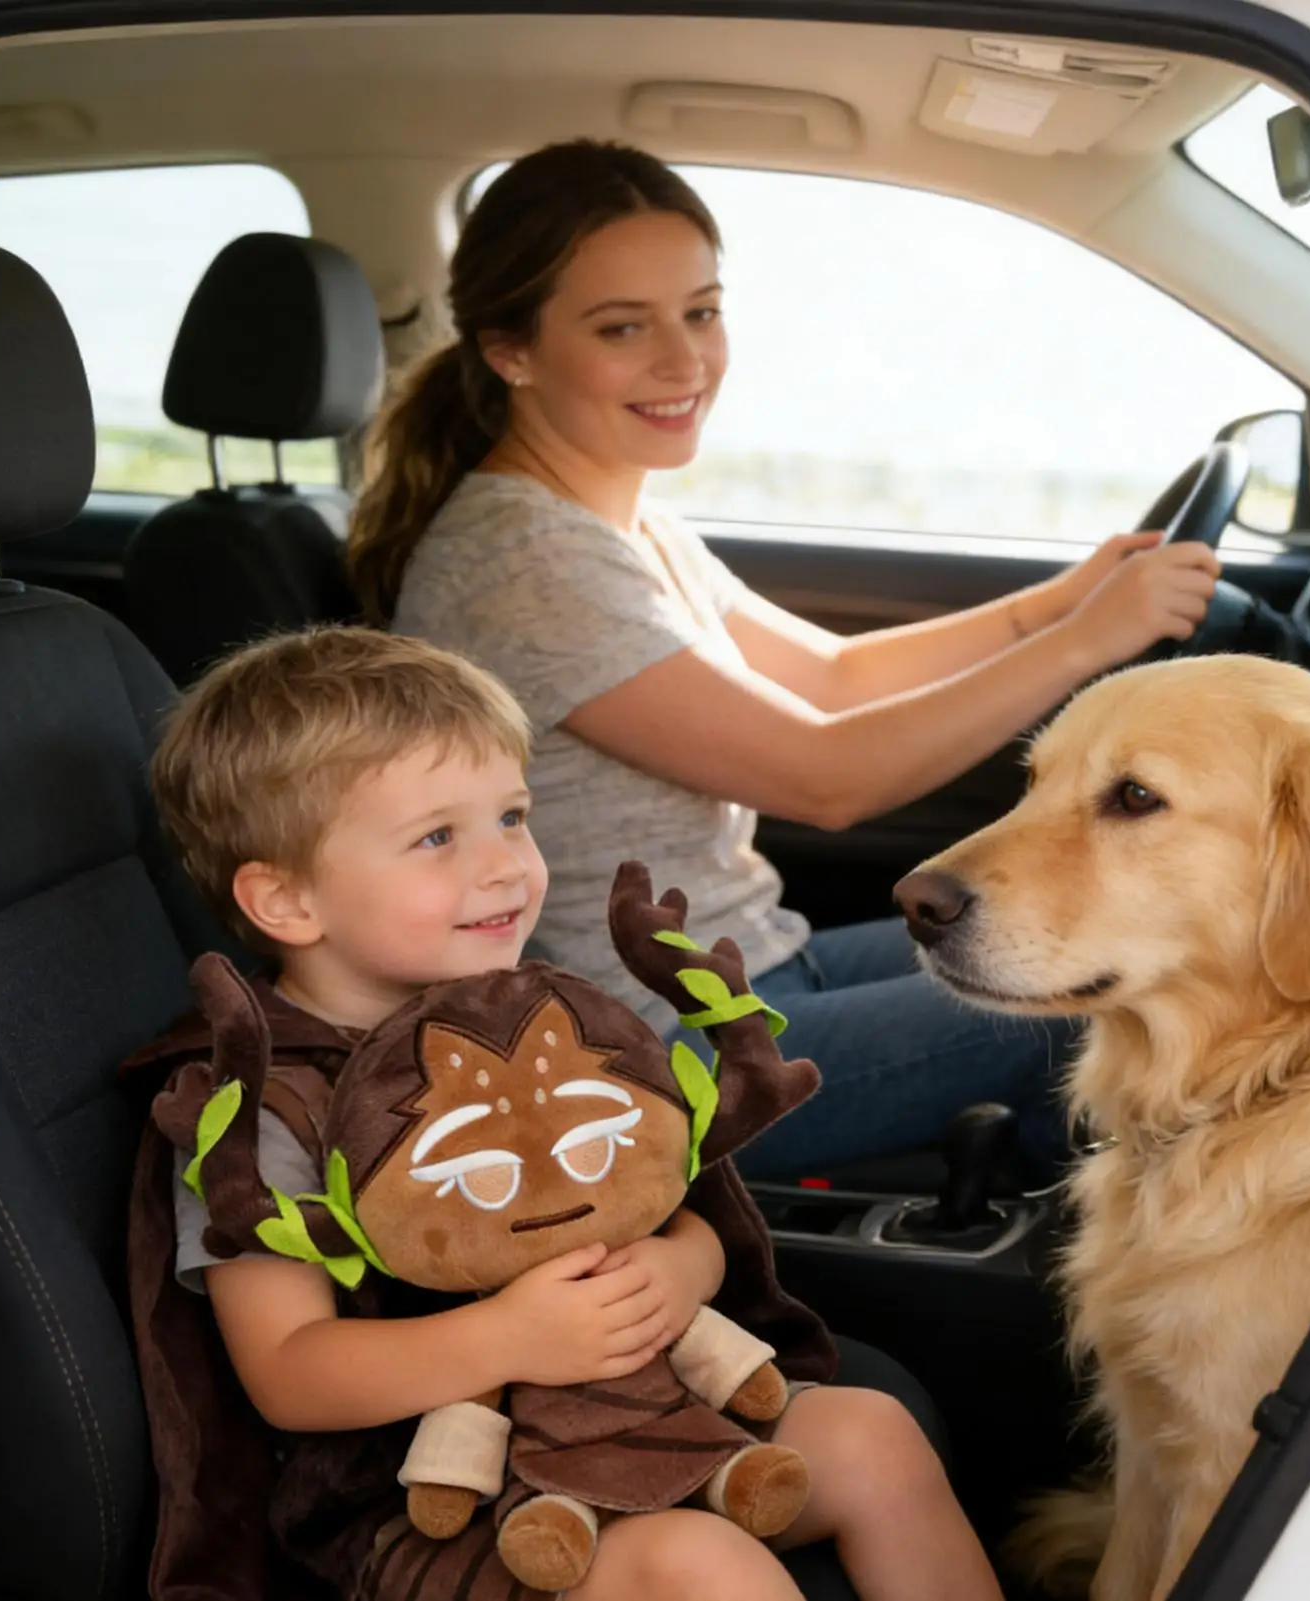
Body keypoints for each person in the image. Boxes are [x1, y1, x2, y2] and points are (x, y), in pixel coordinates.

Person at [348, 141, 1221, 1180]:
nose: (684, 362)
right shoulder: (522, 558)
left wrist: (1054, 603)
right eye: (623, 327)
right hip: (638, 1053)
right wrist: (1092, 638)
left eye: (701, 312)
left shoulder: (619, 521)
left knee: (1109, 967)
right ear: (511, 351)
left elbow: (831, 678)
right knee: (1113, 1000)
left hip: (746, 972)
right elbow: (827, 775)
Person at [124, 625, 1006, 1601]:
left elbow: (678, 1209)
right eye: (437, 836)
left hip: (634, 1418)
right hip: (420, 1498)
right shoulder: (260, 1108)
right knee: (700, 1564)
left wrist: (677, 1268)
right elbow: (288, 1370)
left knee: (871, 1433)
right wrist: (507, 1338)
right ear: (286, 901)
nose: (507, 864)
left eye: (512, 815)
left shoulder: (553, 1016)